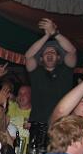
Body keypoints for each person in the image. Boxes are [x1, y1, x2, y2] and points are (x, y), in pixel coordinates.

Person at [25, 18, 77, 146]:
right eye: (46, 52)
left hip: (62, 125)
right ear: (41, 58)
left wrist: (55, 33)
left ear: (59, 57)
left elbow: (72, 51)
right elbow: (28, 56)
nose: (49, 54)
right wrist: (46, 36)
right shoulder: (36, 72)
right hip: (38, 124)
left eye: (52, 52)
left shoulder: (65, 70)